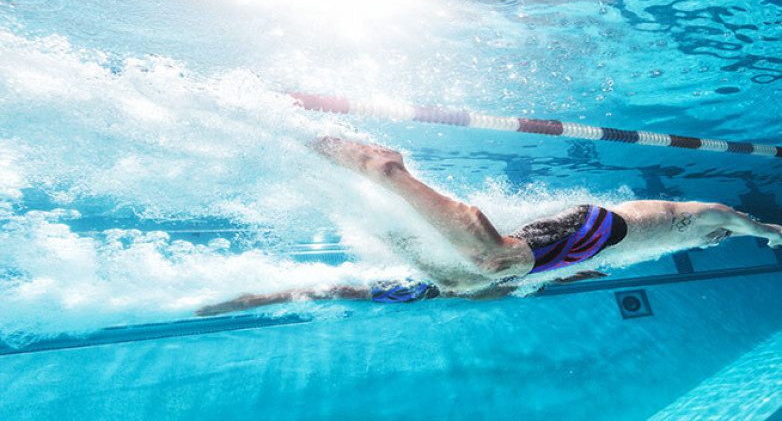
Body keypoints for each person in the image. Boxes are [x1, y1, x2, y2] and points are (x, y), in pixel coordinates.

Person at [195, 137, 782, 317]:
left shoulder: (687, 238)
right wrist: (761, 233)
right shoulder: (710, 217)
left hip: (578, 251)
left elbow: (550, 279)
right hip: (596, 230)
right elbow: (756, 225)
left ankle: (263, 292)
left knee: (462, 285)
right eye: (722, 238)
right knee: (492, 262)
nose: (717, 242)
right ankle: (392, 174)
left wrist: (569, 277)